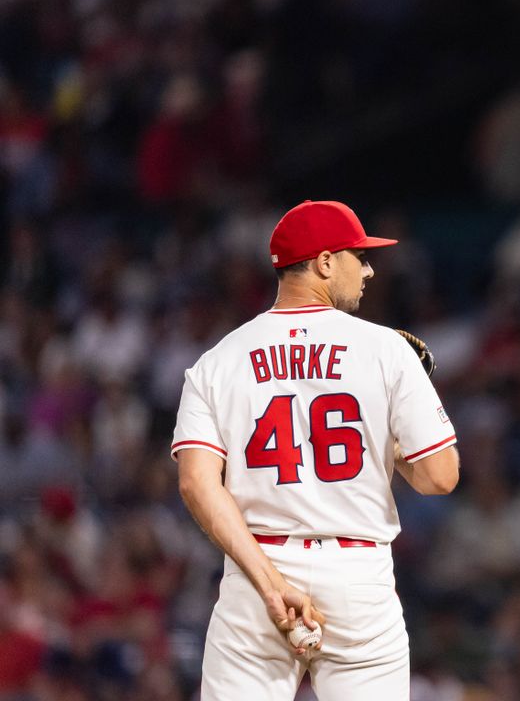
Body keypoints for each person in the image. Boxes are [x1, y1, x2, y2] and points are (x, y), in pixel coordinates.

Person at [172, 199, 460, 699]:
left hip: (257, 568)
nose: (368, 269)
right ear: (325, 262)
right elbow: (439, 477)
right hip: (358, 575)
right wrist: (384, 432)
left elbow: (197, 483)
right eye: (357, 255)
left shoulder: (218, 360)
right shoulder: (386, 349)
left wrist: (267, 581)